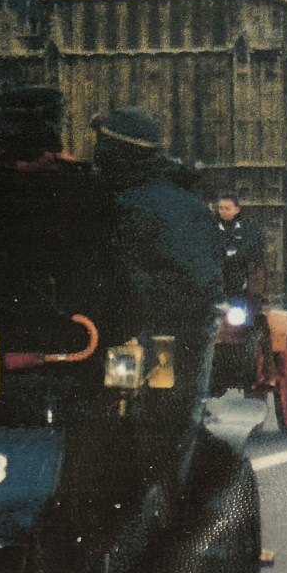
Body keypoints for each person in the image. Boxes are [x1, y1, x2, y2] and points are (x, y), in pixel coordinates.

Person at [91, 106, 224, 381]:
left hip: (142, 336)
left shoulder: (119, 202)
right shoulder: (189, 202)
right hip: (168, 335)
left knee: (133, 399)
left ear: (118, 151)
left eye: (102, 145)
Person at [215, 191, 267, 303]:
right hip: (218, 284)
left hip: (243, 285)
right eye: (220, 208)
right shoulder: (211, 228)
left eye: (227, 208)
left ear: (237, 209)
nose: (223, 211)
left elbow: (255, 254)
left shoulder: (249, 229)